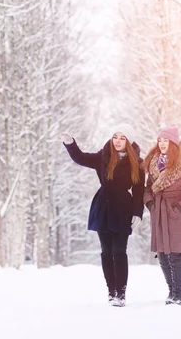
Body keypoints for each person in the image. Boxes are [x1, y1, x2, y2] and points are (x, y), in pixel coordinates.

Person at [59, 123, 144, 307]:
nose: (118, 141)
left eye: (122, 138)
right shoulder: (103, 156)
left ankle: (121, 294)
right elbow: (81, 158)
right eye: (115, 137)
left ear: (129, 141)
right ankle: (111, 292)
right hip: (103, 206)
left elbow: (139, 190)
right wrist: (70, 143)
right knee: (106, 252)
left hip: (123, 208)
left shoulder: (137, 162)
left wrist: (137, 213)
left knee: (119, 252)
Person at [143, 125, 181, 305]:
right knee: (162, 254)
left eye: (166, 141)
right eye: (160, 140)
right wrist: (150, 203)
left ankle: (178, 295)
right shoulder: (154, 163)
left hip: (176, 212)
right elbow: (148, 188)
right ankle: (171, 291)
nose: (162, 144)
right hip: (159, 211)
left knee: (175, 254)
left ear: (174, 143)